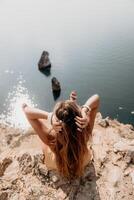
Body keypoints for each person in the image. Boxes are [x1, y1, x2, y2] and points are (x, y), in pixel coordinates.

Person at [22, 91, 100, 179]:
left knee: (44, 140)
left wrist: (49, 116)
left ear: (58, 123)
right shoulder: (85, 133)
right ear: (80, 120)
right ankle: (72, 109)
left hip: (56, 164)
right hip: (83, 161)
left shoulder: (50, 137)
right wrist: (84, 110)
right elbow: (96, 98)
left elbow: (25, 109)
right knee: (71, 133)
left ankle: (69, 112)